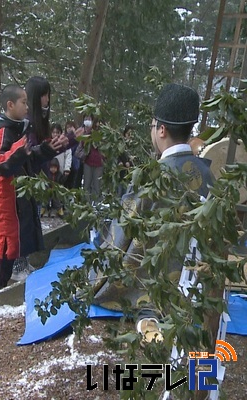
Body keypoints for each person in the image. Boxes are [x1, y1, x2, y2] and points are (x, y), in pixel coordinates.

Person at [91, 83, 215, 343]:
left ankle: (148, 315)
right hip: (195, 273)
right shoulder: (207, 172)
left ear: (161, 129)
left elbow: (123, 231)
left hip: (156, 271)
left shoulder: (151, 176)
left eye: (152, 125)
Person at [0, 84, 65, 295]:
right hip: (4, 201)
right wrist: (19, 149)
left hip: (18, 197)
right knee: (2, 248)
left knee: (16, 241)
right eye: (23, 102)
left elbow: (28, 158)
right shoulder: (1, 131)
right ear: (10, 105)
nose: (28, 107)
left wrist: (47, 149)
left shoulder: (19, 128)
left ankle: (7, 280)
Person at [78, 114, 105, 202]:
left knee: (97, 186)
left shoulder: (104, 136)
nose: (97, 126)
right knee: (86, 185)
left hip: (99, 164)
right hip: (88, 163)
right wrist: (86, 152)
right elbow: (78, 151)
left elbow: (107, 150)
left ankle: (97, 206)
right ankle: (86, 205)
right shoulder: (86, 135)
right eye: (96, 123)